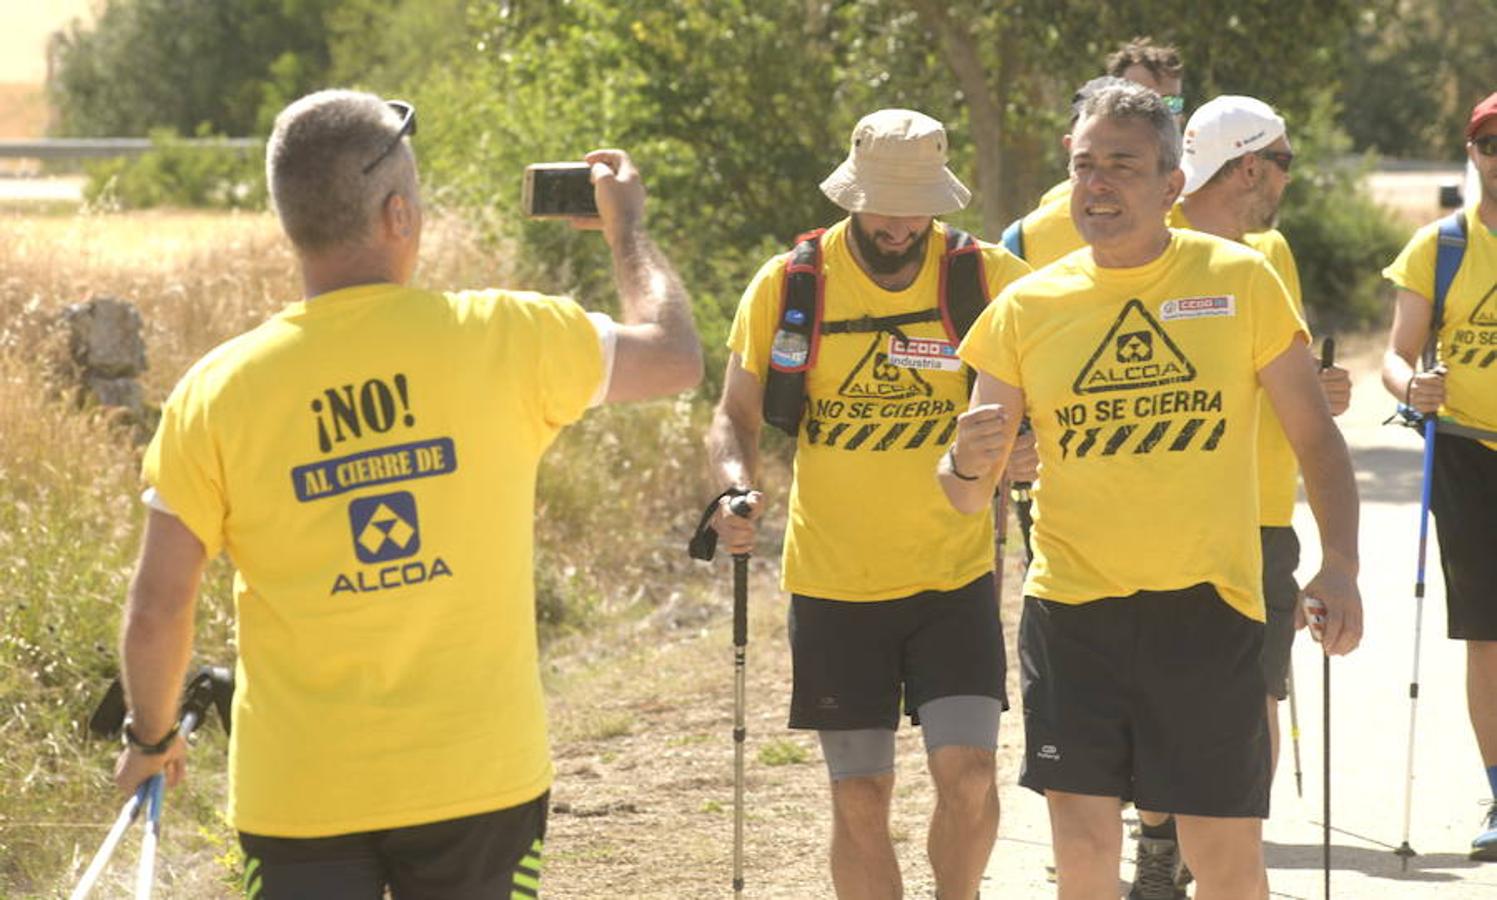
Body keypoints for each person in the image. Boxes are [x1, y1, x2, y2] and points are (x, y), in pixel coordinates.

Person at [110, 89, 702, 898]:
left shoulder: (217, 392)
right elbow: (673, 354)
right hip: (478, 783)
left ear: (293, 223)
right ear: (398, 215)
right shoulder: (505, 337)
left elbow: (158, 608)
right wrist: (626, 230)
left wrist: (150, 739)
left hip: (298, 796)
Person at [944, 83, 1363, 899]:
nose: (1096, 184)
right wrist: (964, 464)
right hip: (1070, 614)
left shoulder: (1240, 280)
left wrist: (1339, 564)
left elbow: (1315, 437)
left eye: (1121, 165)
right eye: (1083, 165)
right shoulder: (1025, 307)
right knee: (1083, 855)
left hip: (1207, 607)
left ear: (1172, 184)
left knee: (1224, 857)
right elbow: (965, 495)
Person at [706, 108, 1031, 898]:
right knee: (859, 794)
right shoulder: (790, 284)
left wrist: (1032, 446)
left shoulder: (987, 280)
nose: (896, 226)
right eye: (881, 206)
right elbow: (734, 415)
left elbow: (1054, 395)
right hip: (834, 585)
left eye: (914, 208)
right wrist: (731, 488)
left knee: (969, 774)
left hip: (953, 579)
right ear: (852, 195)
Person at [1111, 94, 1356, 899]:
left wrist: (1319, 389)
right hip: (1161, 514)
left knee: (1256, 697)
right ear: (1248, 167)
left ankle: (1230, 861)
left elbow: (1286, 375)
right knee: (1155, 703)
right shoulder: (1149, 244)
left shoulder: (1271, 254)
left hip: (1258, 516)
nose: (1286, 179)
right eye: (1282, 163)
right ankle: (1158, 847)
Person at [1380, 89, 1497, 862]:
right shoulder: (1440, 246)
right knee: (1487, 634)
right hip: (1464, 452)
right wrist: (1411, 388)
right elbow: (1396, 357)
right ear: (1471, 152)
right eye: (1490, 145)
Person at [1002, 37, 1185, 269]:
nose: (1157, 113)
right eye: (1139, 100)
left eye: (1171, 102)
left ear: (1172, 187)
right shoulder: (1025, 237)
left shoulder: (1203, 213)